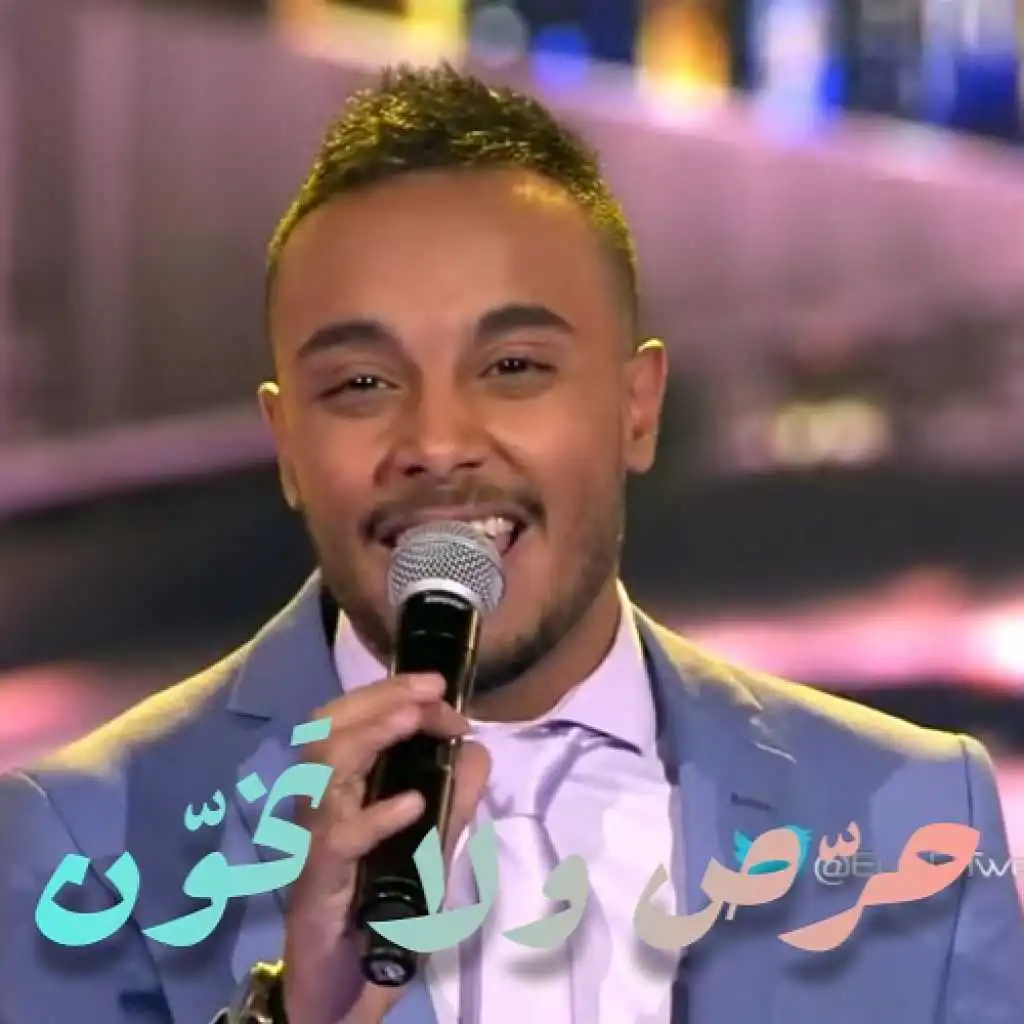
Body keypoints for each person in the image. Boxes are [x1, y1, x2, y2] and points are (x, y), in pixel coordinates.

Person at [0, 63, 1020, 1024]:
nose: (438, 441)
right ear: (288, 445)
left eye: (514, 366)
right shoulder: (77, 844)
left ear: (636, 406)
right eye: (362, 383)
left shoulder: (916, 815)